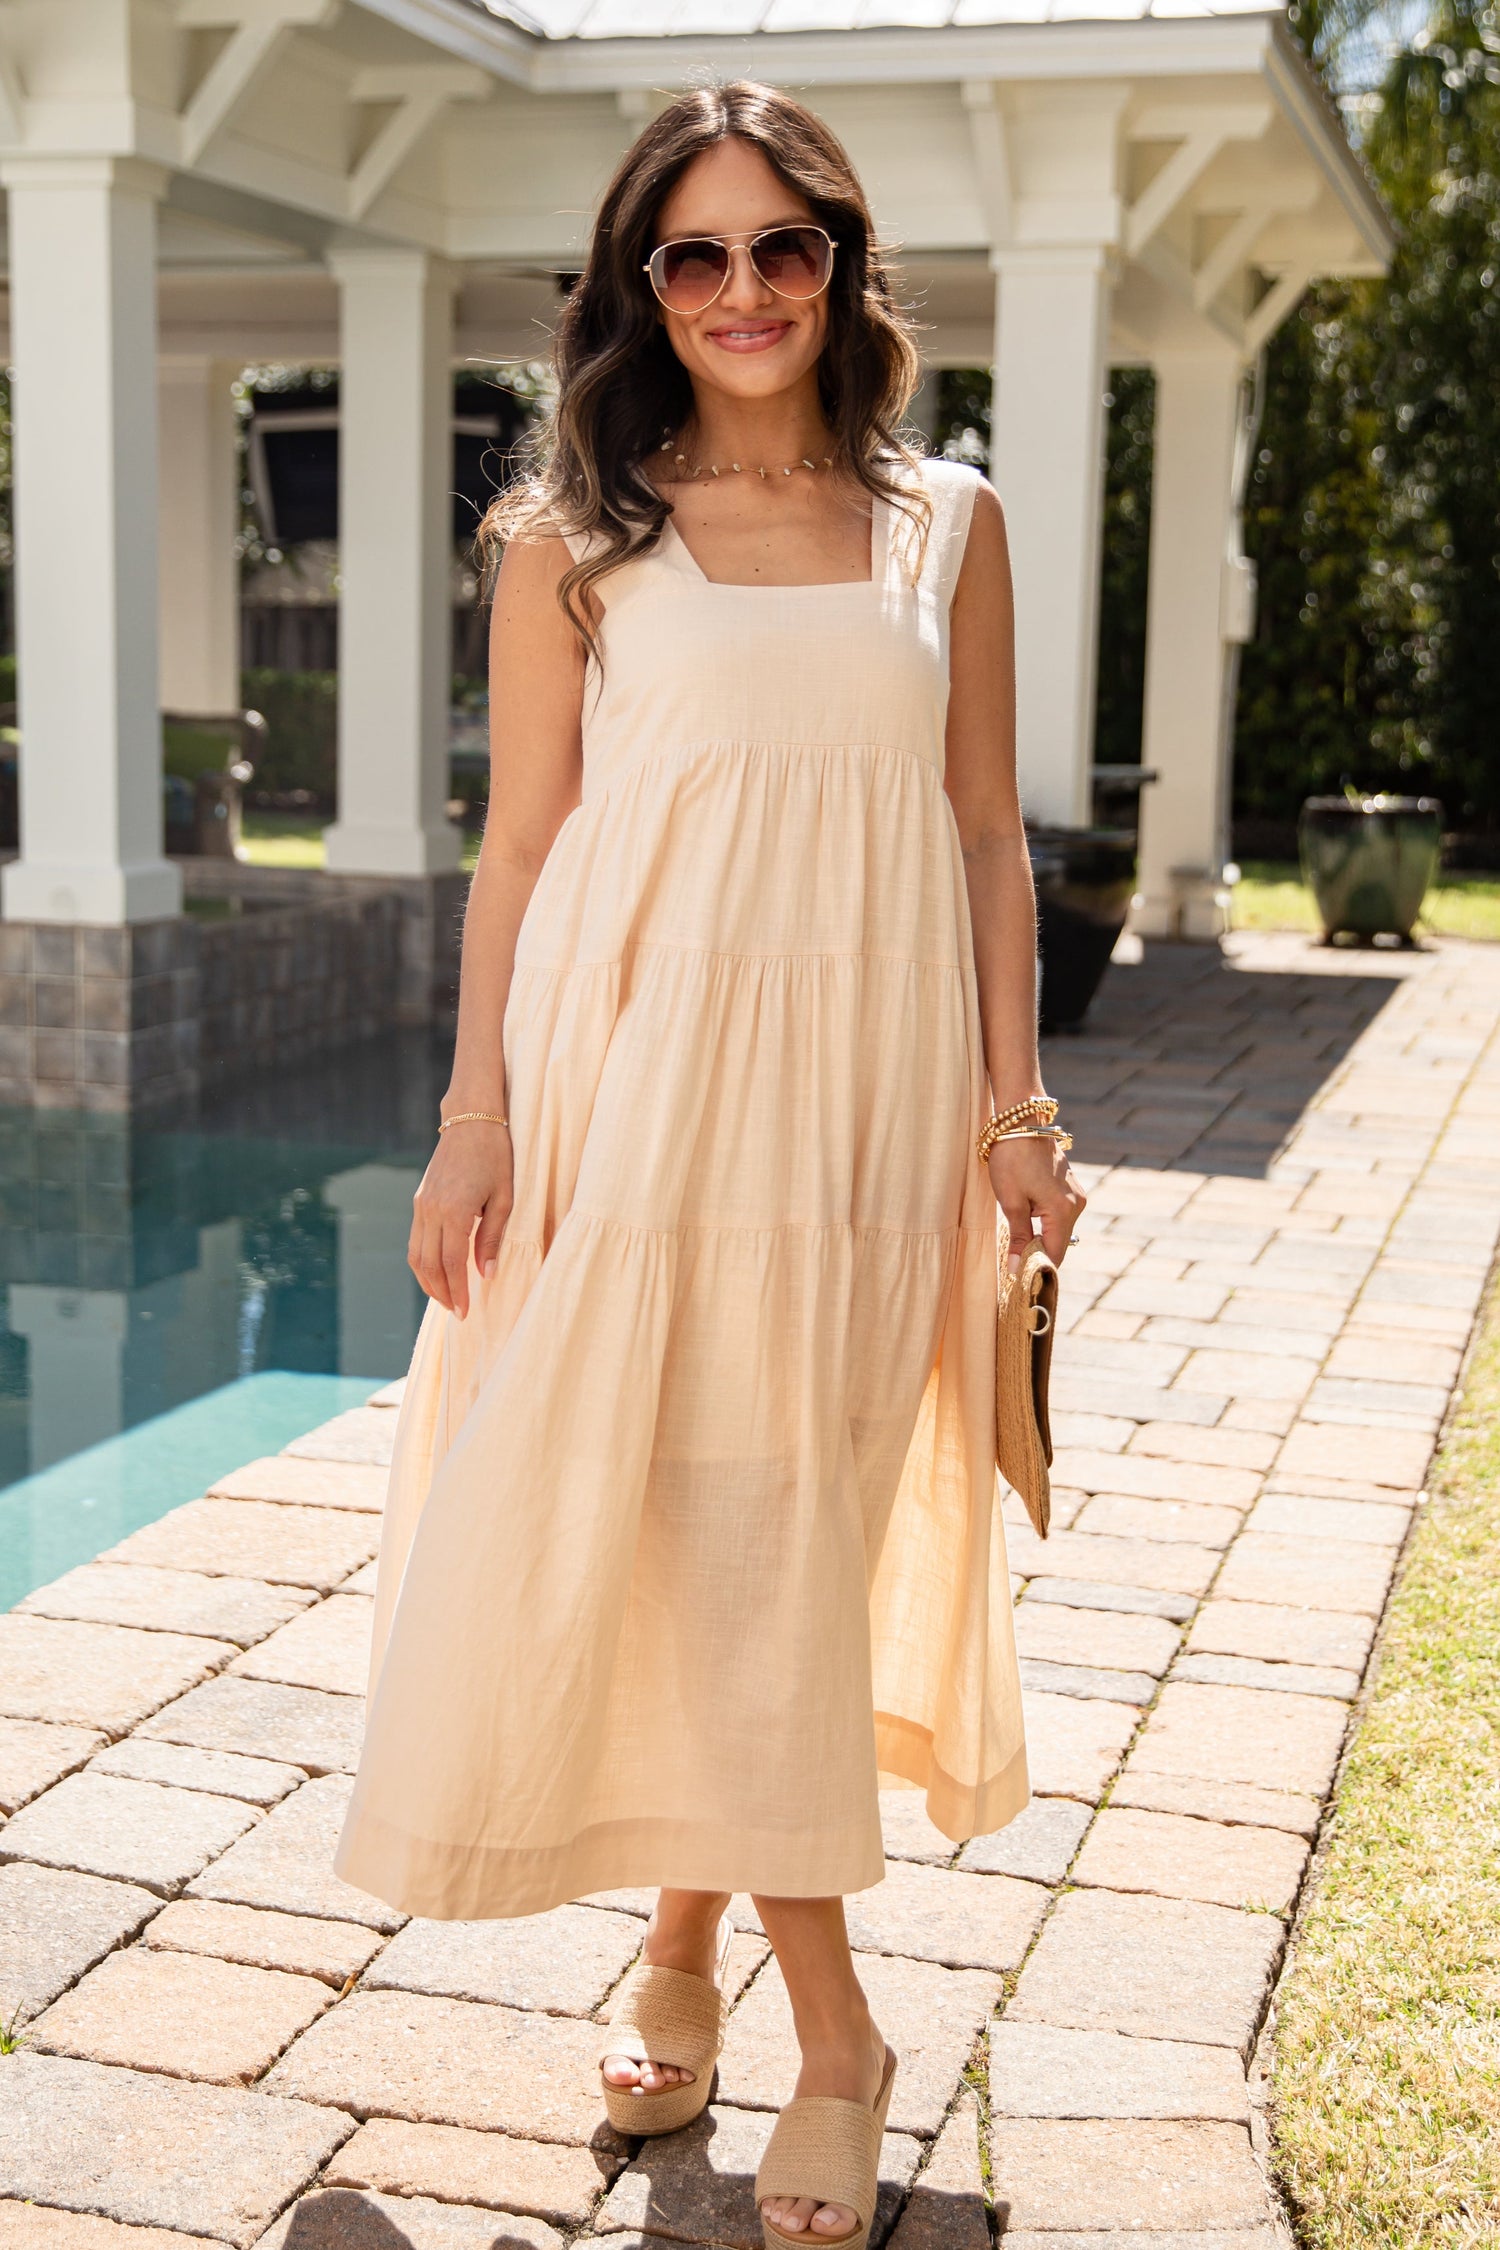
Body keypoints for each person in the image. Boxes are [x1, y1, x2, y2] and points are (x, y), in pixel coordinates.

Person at [335, 78, 1085, 2250]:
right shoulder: (571, 538)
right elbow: (526, 849)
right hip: (629, 1089)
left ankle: (680, 1958)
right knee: (694, 1504)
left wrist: (1016, 1102)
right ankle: (834, 2032)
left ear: (840, 269)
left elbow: (978, 835)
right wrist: (479, 1114)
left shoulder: (949, 520)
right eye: (695, 253)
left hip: (867, 1088)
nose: (743, 290)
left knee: (781, 1512)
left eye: (783, 246)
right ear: (637, 286)